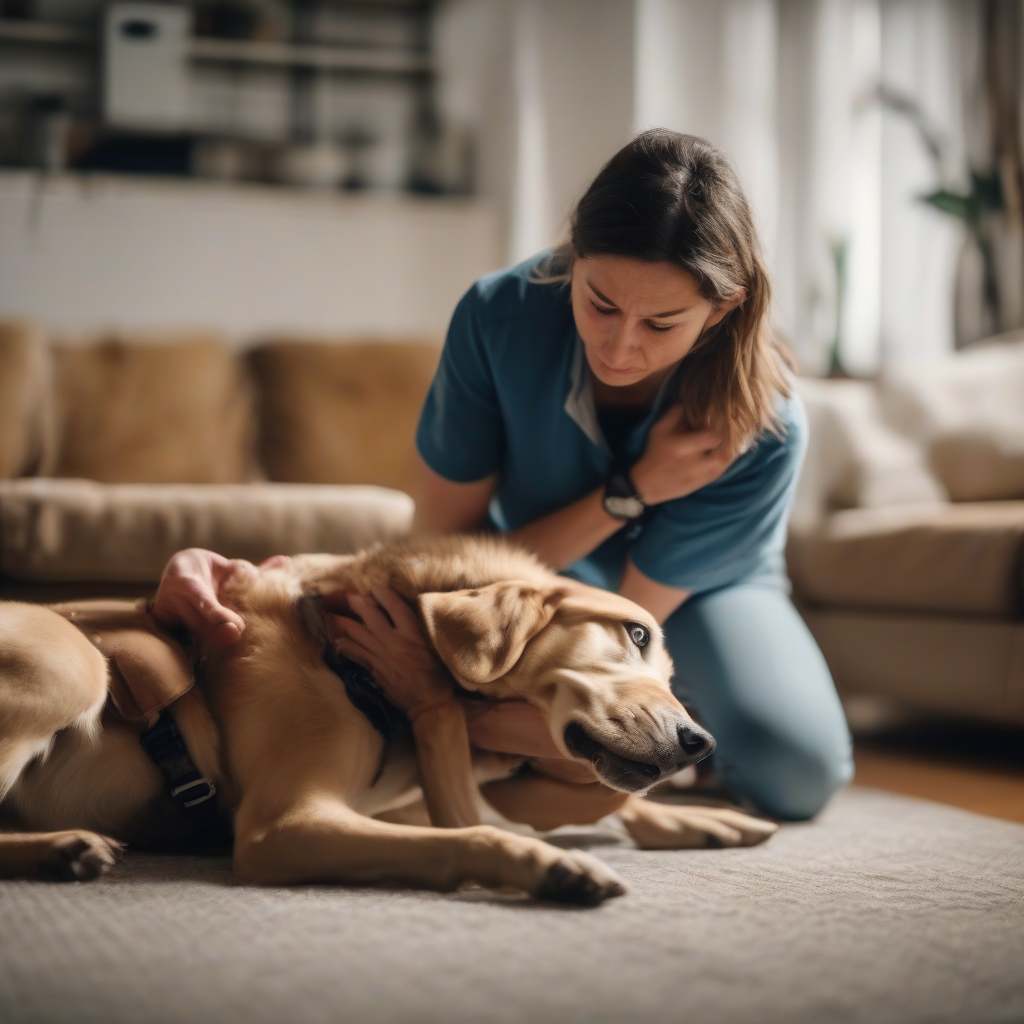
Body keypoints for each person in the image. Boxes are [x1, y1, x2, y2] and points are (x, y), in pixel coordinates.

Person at [154, 130, 852, 822]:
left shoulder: (767, 423)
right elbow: (439, 549)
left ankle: (665, 755)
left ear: (720, 311)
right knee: (506, 715)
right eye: (600, 303)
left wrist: (443, 696)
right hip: (518, 569)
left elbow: (630, 638)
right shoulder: (498, 316)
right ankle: (639, 756)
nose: (620, 345)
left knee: (796, 772)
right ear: (574, 258)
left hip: (695, 588)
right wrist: (629, 492)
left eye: (662, 323)